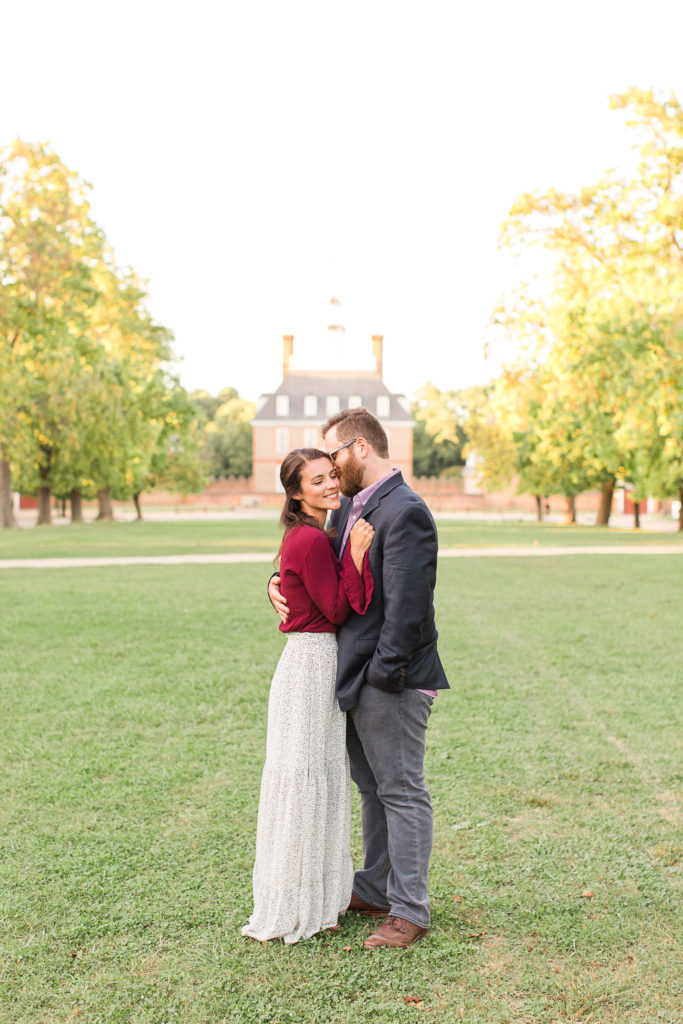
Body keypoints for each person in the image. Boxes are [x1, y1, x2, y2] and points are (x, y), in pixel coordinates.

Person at [269, 408, 449, 949]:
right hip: (352, 675)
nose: (329, 465)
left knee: (400, 790)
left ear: (359, 449)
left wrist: (381, 675)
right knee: (371, 788)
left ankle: (410, 910)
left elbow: (409, 609)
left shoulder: (406, 510)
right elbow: (312, 557)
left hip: (387, 678)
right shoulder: (349, 505)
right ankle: (373, 887)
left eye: (334, 454)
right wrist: (276, 578)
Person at [242, 447, 374, 944]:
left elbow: (302, 589)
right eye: (316, 480)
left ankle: (312, 898)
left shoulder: (312, 535)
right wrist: (359, 558)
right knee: (306, 779)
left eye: (332, 476)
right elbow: (338, 611)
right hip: (313, 664)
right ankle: (300, 903)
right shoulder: (309, 538)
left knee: (308, 776)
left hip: (307, 662)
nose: (329, 485)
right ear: (297, 492)